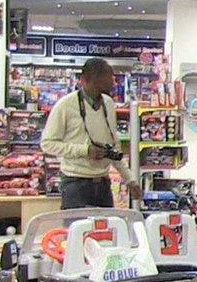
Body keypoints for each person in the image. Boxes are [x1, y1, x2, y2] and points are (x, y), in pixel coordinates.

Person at [41, 58, 142, 209]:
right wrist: (85, 151)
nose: (111, 84)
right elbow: (47, 144)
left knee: (106, 231)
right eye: (100, 82)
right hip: (75, 184)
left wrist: (130, 180)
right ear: (85, 81)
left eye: (110, 80)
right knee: (78, 230)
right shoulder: (65, 105)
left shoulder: (108, 103)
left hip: (102, 184)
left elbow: (114, 148)